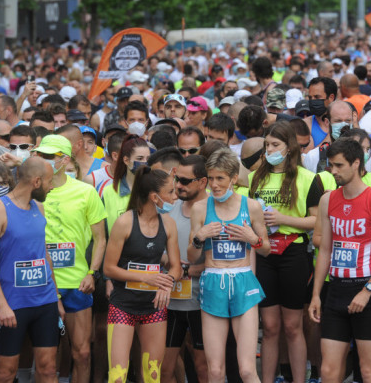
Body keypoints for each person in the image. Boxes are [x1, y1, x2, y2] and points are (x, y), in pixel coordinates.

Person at [308, 139, 371, 383]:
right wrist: (317, 294)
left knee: (369, 371)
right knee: (328, 371)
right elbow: (325, 249)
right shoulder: (328, 199)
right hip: (336, 289)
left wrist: (367, 291)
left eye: (338, 165)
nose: (333, 171)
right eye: (330, 165)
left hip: (367, 290)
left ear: (357, 163)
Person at [187, 148, 270, 383]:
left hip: (243, 281)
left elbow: (266, 249)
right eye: (210, 178)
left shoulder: (251, 206)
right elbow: (192, 256)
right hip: (214, 280)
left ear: (234, 178)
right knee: (215, 370)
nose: (214, 184)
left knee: (246, 370)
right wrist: (199, 237)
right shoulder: (200, 208)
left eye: (220, 178)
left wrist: (253, 239)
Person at [0, 157, 64, 383]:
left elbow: (44, 254)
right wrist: (2, 305)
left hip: (44, 302)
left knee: (47, 369)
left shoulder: (39, 207)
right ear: (36, 181)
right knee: (6, 372)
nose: (52, 186)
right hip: (12, 305)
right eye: (49, 181)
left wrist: (56, 298)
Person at [246, 121, 318, 383]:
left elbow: (317, 221)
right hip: (264, 253)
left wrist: (283, 218)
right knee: (271, 327)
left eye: (275, 145)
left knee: (292, 326)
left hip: (294, 253)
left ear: (289, 147)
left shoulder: (308, 177)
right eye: (266, 145)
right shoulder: (255, 177)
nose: (269, 150)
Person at [32, 135, 106, 383]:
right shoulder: (31, 193)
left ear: (64, 160)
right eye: (39, 155)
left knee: (82, 353)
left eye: (48, 156)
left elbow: (100, 238)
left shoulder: (86, 192)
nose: (42, 160)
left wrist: (92, 273)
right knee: (46, 359)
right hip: (40, 283)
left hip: (76, 281)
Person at [103, 166, 182, 383]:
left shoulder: (168, 224)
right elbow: (108, 268)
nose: (175, 196)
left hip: (153, 307)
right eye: (171, 192)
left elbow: (176, 267)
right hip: (123, 305)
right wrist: (145, 277)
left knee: (152, 375)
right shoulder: (125, 222)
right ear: (155, 197)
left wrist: (167, 283)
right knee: (117, 376)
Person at [161, 155, 210, 383]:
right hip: (170, 299)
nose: (178, 185)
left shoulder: (215, 209)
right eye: (176, 179)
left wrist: (192, 270)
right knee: (163, 368)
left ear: (203, 182)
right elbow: (154, 248)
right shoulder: (170, 209)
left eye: (185, 180)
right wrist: (167, 260)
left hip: (203, 301)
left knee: (203, 368)